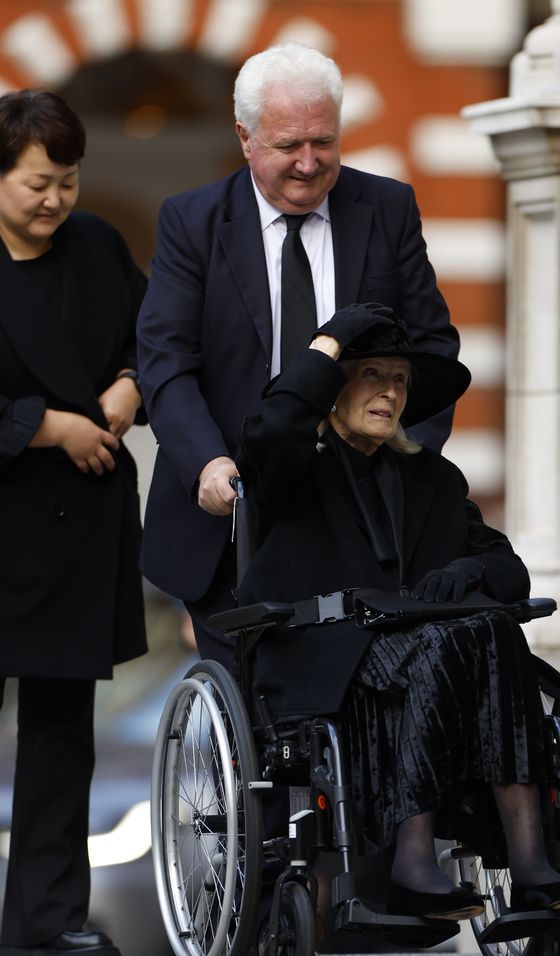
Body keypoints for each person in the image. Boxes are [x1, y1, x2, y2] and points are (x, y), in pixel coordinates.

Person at [235, 302, 560, 926]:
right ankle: (413, 858)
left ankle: (533, 864)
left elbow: (509, 569)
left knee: (489, 628)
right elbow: (271, 428)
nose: (390, 391)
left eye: (400, 379)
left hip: (433, 660)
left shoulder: (432, 476)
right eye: (371, 374)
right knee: (459, 637)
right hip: (329, 654)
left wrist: (469, 570)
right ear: (334, 389)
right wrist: (330, 342)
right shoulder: (295, 468)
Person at [136, 42, 461, 667]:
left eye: (324, 142)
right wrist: (205, 463)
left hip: (364, 517)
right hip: (231, 512)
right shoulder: (192, 221)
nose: (310, 164)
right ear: (245, 137)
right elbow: (166, 362)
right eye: (289, 146)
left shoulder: (387, 209)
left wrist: (405, 458)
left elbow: (433, 349)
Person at [0, 89, 147, 956]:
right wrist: (44, 426)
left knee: (61, 736)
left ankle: (46, 920)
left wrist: (129, 387)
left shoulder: (95, 246)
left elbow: (155, 335)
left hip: (76, 530)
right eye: (36, 184)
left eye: (68, 180)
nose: (55, 199)